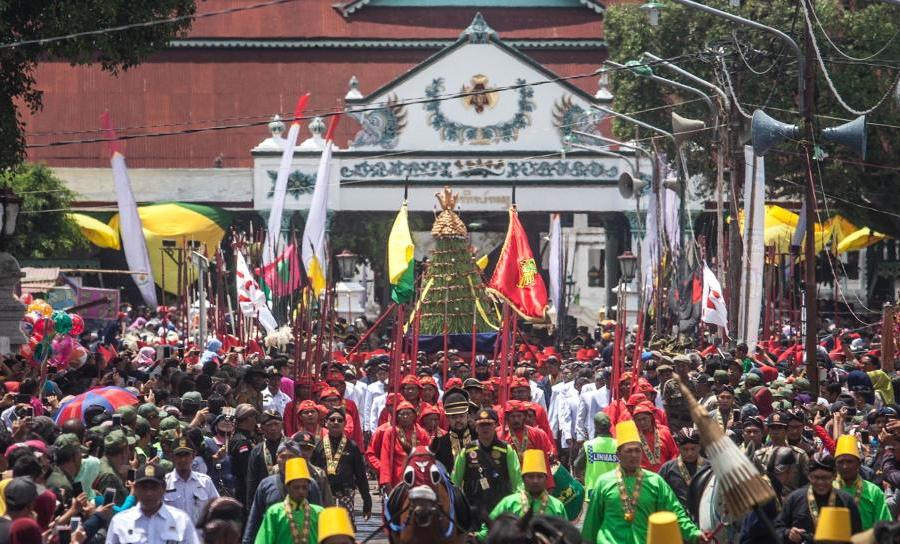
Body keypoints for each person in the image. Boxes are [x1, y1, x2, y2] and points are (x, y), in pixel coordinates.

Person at [581, 420, 702, 544]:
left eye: (637, 450)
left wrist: (695, 534)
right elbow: (592, 522)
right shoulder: (603, 482)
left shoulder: (655, 482)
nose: (634, 455)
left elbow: (675, 512)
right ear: (618, 455)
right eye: (629, 451)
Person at [474, 449, 567, 541]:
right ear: (523, 478)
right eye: (531, 476)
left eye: (540, 476)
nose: (535, 480)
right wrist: (475, 536)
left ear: (546, 479)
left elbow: (567, 534)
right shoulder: (508, 503)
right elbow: (490, 527)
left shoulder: (557, 506)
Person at [451, 409, 522, 528]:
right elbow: (455, 483)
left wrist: (519, 503)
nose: (485, 428)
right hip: (474, 511)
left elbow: (517, 482)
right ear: (476, 427)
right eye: (481, 425)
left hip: (501, 509)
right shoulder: (466, 451)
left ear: (496, 425)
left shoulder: (506, 450)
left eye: (489, 424)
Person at [774, 452, 862, 543]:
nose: (820, 482)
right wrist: (788, 533)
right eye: (815, 477)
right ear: (808, 476)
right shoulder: (794, 498)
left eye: (825, 478)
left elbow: (857, 535)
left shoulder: (846, 501)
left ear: (834, 476)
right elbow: (777, 529)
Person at [107, 462, 200, 544]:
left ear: (164, 488)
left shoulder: (180, 520)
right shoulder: (121, 521)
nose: (149, 493)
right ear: (135, 488)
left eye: (154, 487)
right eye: (144, 487)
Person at [309, 408, 371, 522]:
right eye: (332, 420)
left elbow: (361, 475)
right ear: (326, 423)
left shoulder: (352, 446)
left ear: (344, 424)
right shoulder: (318, 446)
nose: (336, 422)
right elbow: (312, 473)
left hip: (346, 495)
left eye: (340, 420)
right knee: (325, 528)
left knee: (346, 528)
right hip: (324, 495)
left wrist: (367, 501)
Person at [254, 457, 323, 544]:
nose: (301, 491)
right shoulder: (275, 513)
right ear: (287, 487)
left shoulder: (319, 513)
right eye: (296, 487)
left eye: (304, 487)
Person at [833, 435, 891, 530]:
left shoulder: (873, 492)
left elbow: (884, 527)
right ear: (835, 465)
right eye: (840, 462)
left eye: (849, 461)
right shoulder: (829, 489)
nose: (845, 466)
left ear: (859, 464)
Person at [163, 436, 220, 525]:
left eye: (186, 454)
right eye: (179, 455)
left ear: (193, 456)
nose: (183, 459)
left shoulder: (205, 482)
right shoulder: (164, 483)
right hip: (173, 533)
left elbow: (217, 509)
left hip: (199, 533)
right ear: (172, 457)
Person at [658, 428, 707, 510]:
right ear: (678, 447)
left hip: (704, 513)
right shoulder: (667, 469)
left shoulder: (709, 468)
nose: (690, 453)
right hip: (677, 514)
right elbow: (659, 494)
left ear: (699, 447)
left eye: (693, 449)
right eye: (685, 449)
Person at [573, 412, 618, 492]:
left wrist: (583, 481)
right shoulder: (618, 445)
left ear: (596, 427)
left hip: (593, 491)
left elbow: (577, 466)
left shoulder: (589, 446)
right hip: (613, 490)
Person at [430, 390, 474, 471]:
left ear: (467, 416)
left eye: (461, 416)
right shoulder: (440, 443)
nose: (458, 420)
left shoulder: (477, 437)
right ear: (447, 418)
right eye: (453, 417)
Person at [631, 402, 678, 472]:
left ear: (651, 417)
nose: (642, 422)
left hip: (665, 473)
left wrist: (670, 470)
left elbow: (674, 453)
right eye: (638, 420)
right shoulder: (633, 436)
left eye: (644, 419)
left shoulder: (664, 432)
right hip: (643, 475)